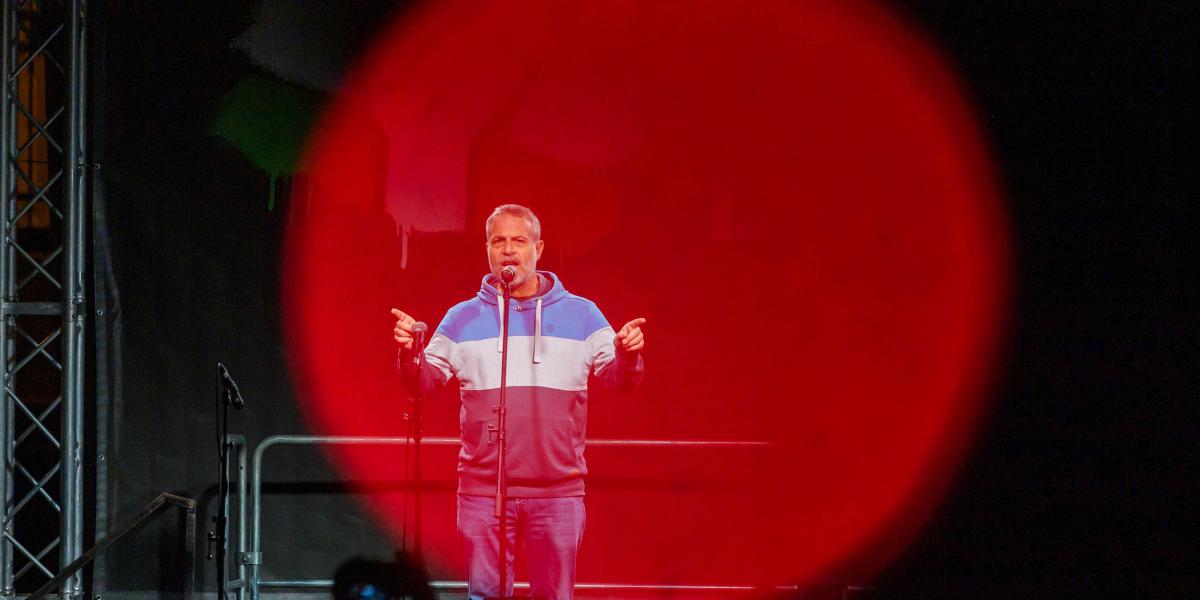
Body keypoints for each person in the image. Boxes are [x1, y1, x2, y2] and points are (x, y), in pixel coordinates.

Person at [390, 204, 645, 600]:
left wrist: (627, 355)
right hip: (484, 491)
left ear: (538, 248)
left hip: (558, 493)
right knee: (485, 594)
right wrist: (409, 354)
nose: (508, 250)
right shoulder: (461, 318)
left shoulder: (583, 315)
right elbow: (422, 384)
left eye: (519, 241)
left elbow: (620, 380)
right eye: (499, 241)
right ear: (487, 249)